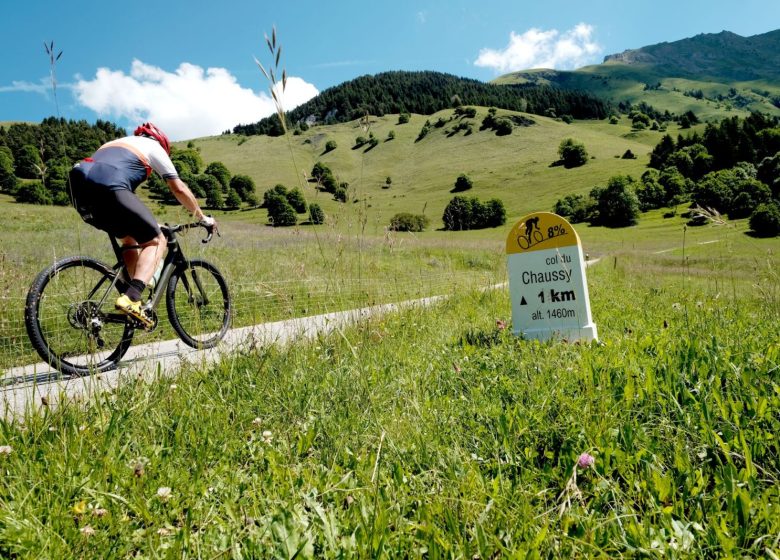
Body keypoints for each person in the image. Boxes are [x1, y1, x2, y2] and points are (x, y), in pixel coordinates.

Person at [68, 122, 215, 328]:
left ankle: (130, 294)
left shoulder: (114, 145)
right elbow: (178, 188)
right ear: (161, 143)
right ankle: (132, 299)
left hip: (78, 183)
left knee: (129, 238)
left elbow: (125, 205)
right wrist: (202, 217)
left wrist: (152, 223)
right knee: (156, 241)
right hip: (110, 182)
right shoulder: (153, 147)